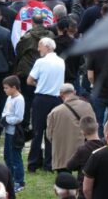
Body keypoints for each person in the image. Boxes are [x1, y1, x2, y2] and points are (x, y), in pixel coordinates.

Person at [27, 37, 65, 172]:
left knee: (37, 132)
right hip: (56, 99)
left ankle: (33, 163)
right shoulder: (61, 61)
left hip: (41, 98)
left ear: (47, 47)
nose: (38, 49)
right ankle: (49, 164)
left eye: (40, 46)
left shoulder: (40, 62)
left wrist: (40, 84)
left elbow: (29, 80)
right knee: (51, 133)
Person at [46, 83, 96, 173]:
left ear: (61, 95)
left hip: (62, 153)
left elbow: (49, 135)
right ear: (75, 92)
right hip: (84, 150)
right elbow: (94, 127)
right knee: (83, 179)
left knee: (64, 181)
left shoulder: (55, 112)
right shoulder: (87, 106)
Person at [0, 75, 25, 192]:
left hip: (15, 133)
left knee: (15, 157)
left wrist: (7, 120)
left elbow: (19, 118)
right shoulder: (9, 97)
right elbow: (5, 111)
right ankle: (10, 178)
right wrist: (2, 121)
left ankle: (19, 181)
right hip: (8, 131)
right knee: (7, 156)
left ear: (14, 87)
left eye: (6, 88)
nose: (4, 90)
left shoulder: (19, 99)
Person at [67, 116, 103, 193]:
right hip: (102, 189)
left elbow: (70, 166)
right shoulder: (105, 146)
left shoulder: (82, 150)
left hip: (84, 189)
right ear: (97, 126)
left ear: (82, 131)